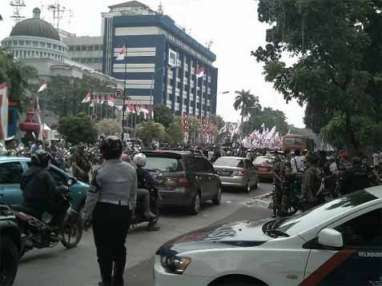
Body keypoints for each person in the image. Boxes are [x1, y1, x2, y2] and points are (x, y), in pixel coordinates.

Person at [82, 136, 137, 286]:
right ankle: (118, 279)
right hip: (123, 211)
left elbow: (92, 196)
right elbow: (133, 194)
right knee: (119, 247)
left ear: (102, 152)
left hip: (104, 212)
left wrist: (86, 217)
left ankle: (106, 281)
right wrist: (130, 212)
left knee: (103, 249)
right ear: (120, 151)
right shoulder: (131, 170)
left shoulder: (100, 171)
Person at [20, 150, 68, 227]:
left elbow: (22, 187)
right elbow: (53, 190)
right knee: (61, 208)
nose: (49, 162)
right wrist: (62, 188)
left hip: (26, 203)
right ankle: (53, 228)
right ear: (44, 161)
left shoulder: (26, 172)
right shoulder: (44, 174)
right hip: (40, 204)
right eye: (47, 160)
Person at [133, 153, 157, 220]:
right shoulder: (143, 171)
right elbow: (151, 180)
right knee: (146, 192)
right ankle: (147, 211)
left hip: (127, 190)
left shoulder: (131, 168)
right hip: (134, 190)